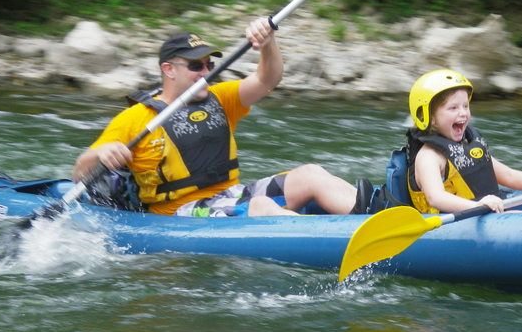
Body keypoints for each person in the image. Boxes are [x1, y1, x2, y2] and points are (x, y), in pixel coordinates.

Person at [73, 18, 373, 217]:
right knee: (260, 206)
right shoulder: (137, 117)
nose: (206, 72)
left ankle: (377, 218)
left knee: (310, 173)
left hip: (232, 193)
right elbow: (81, 171)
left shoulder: (220, 97)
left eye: (208, 64)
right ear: (168, 70)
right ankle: (332, 241)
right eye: (195, 66)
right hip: (181, 212)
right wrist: (102, 152)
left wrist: (267, 44)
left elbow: (268, 79)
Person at [405, 68, 522, 214]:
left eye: (465, 106)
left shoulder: (466, 146)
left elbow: (509, 175)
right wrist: (478, 206)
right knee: (520, 216)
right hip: (452, 224)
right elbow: (435, 198)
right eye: (453, 108)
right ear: (428, 117)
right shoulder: (428, 156)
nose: (463, 113)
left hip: (481, 213)